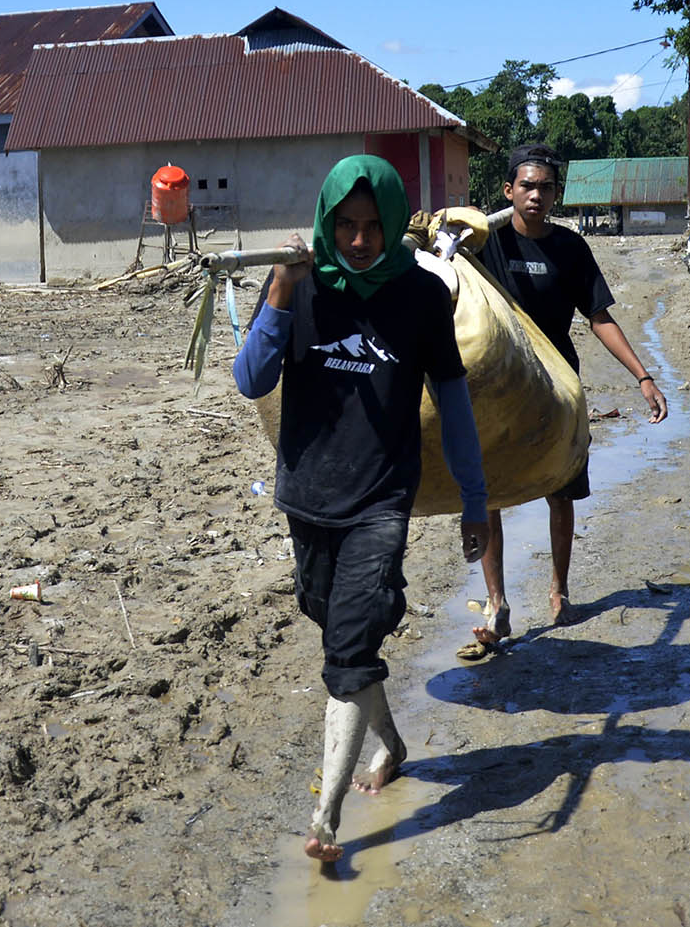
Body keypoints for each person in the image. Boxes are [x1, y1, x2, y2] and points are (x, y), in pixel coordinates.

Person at [232, 155, 488, 863]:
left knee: (347, 650)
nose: (358, 240)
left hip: (381, 499)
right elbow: (250, 377)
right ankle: (395, 745)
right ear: (327, 222)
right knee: (338, 637)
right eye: (345, 224)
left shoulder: (421, 295)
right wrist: (281, 291)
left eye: (373, 226)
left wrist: (474, 500)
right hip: (306, 495)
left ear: (392, 225)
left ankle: (326, 818)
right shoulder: (296, 284)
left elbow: (457, 409)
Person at [461, 143, 667, 658]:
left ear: (557, 195)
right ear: (507, 191)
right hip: (498, 388)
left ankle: (560, 591)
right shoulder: (484, 243)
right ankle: (497, 604)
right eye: (525, 186)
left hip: (556, 387)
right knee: (487, 496)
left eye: (545, 187)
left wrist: (643, 375)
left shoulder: (572, 249)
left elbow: (598, 317)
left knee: (563, 488)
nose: (535, 195)